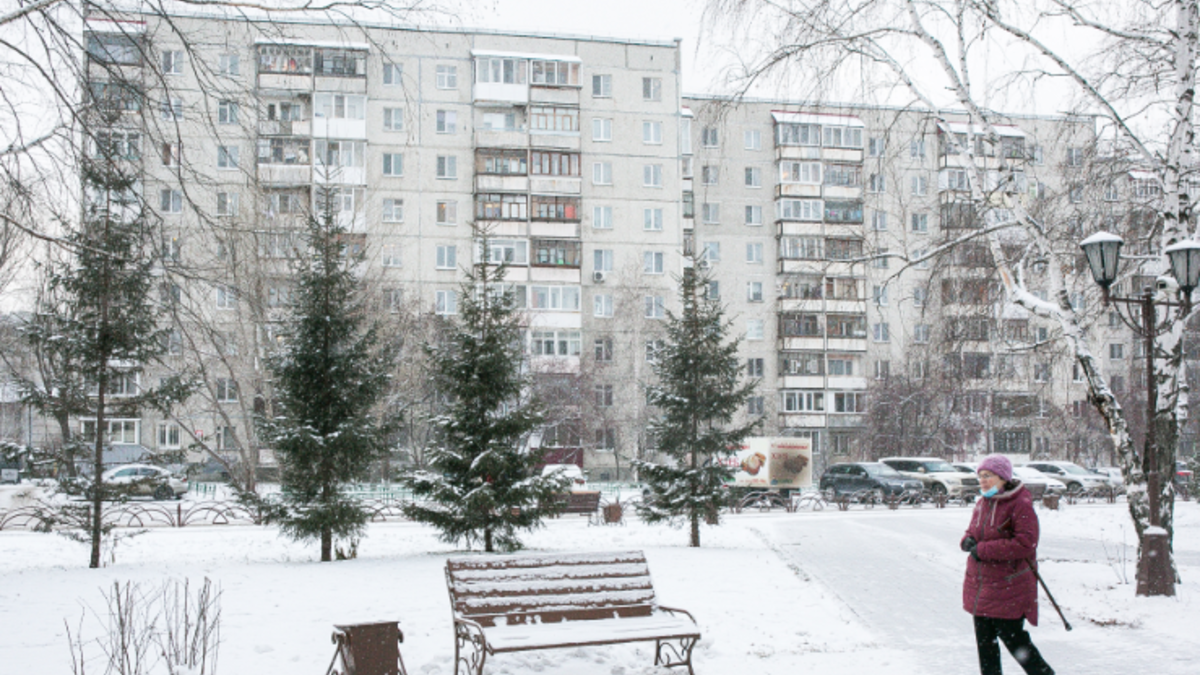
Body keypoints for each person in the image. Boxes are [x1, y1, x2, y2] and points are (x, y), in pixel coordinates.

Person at [961, 454, 1055, 675]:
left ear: (1003, 477)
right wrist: (967, 540)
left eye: (988, 476)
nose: (983, 481)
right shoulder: (983, 502)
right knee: (987, 652)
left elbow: (1026, 543)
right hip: (981, 588)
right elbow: (973, 531)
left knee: (1018, 646)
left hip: (1008, 589)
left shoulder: (1020, 504)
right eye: (981, 476)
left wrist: (983, 550)